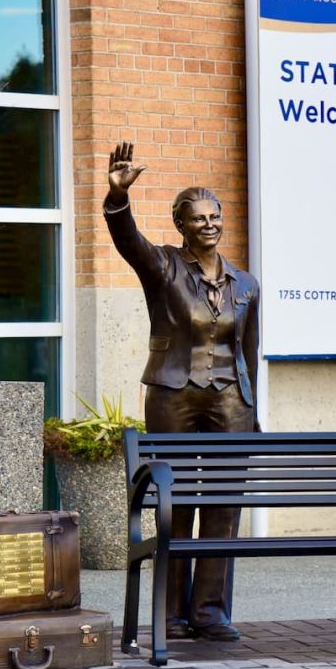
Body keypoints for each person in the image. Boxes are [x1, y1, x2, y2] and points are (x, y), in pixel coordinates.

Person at [103, 142, 259, 642]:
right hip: (174, 392)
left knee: (223, 506)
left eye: (215, 216)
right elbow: (128, 241)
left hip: (230, 399)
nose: (209, 224)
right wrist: (118, 197)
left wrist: (252, 408)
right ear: (181, 225)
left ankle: (210, 612)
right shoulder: (163, 267)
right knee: (175, 502)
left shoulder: (246, 284)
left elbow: (248, 351)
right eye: (198, 218)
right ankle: (170, 612)